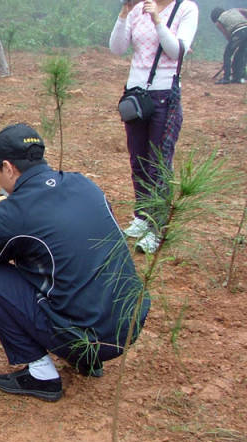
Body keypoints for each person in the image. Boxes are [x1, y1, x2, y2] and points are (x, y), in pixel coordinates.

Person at [0, 124, 150, 402]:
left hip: (86, 337)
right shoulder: (83, 184)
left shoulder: (14, 214)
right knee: (62, 263)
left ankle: (42, 375)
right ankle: (89, 361)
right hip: (128, 324)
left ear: (7, 167)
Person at [109, 0, 198, 254]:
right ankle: (142, 215)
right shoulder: (137, 9)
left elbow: (177, 51)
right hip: (136, 96)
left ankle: (157, 227)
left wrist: (158, 21)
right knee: (137, 159)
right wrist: (125, 13)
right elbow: (117, 48)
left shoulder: (186, 9)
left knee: (158, 163)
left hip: (164, 97)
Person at [210, 6, 247, 84]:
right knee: (241, 54)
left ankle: (226, 77)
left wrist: (232, 44)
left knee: (227, 55)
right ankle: (238, 77)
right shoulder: (235, 10)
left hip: (238, 33)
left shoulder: (218, 21)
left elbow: (226, 34)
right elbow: (245, 11)